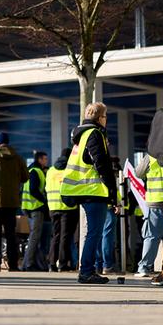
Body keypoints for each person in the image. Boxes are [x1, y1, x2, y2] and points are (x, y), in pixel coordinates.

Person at [61, 102, 118, 284]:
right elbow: (101, 164)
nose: (106, 120)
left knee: (91, 233)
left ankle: (87, 270)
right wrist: (112, 190)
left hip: (81, 190)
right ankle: (86, 271)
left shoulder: (81, 135)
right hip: (93, 190)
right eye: (105, 116)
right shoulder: (95, 134)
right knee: (95, 232)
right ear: (100, 118)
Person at [0, 132, 26, 271]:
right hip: (12, 201)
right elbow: (25, 177)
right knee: (11, 233)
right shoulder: (17, 157)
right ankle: (13, 265)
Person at [137, 156, 163, 278]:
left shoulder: (150, 156)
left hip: (156, 201)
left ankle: (144, 267)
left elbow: (138, 173)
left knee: (151, 236)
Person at [21, 150, 52, 271]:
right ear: (39, 159)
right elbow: (34, 190)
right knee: (34, 237)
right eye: (45, 159)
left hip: (27, 207)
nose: (46, 161)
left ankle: (34, 263)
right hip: (35, 208)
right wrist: (44, 201)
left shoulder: (29, 170)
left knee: (35, 237)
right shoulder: (36, 171)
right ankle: (28, 264)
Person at [48, 149, 77, 271]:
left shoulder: (50, 171)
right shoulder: (69, 169)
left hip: (53, 207)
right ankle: (63, 264)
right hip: (67, 207)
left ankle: (51, 264)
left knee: (55, 236)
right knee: (65, 237)